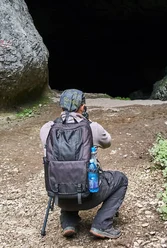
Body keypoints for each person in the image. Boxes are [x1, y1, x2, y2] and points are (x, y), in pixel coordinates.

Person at [40, 89, 128, 239]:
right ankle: (102, 224)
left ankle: (69, 222)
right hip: (89, 196)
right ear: (82, 107)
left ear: (61, 106)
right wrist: (88, 122)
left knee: (64, 174)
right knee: (121, 179)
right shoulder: (92, 128)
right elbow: (107, 142)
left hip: (59, 195)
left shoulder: (47, 129)